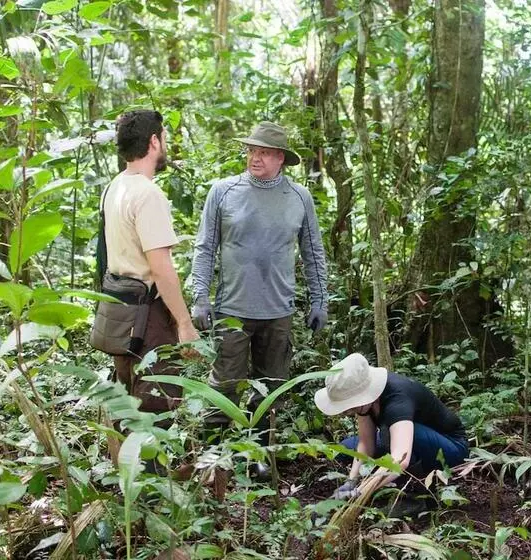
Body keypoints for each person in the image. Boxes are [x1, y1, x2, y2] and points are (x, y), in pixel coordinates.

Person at [191, 121, 328, 440]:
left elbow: (313, 251)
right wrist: (200, 297)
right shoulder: (223, 191)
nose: (255, 157)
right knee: (224, 386)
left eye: (264, 153)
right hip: (232, 310)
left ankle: (262, 454)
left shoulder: (299, 197)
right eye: (252, 150)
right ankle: (214, 453)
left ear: (281, 158)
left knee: (271, 390)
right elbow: (205, 247)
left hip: (278, 311)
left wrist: (320, 301)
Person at [103, 109, 199, 414]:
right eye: (164, 138)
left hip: (120, 313)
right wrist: (184, 324)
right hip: (149, 317)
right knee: (156, 408)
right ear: (154, 141)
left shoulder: (115, 186)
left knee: (128, 407)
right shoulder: (147, 194)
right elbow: (160, 268)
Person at [314, 353, 469, 516]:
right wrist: (351, 481)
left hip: (451, 448)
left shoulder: (397, 401)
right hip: (410, 439)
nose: (347, 412)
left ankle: (414, 498)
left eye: (349, 407)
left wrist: (361, 492)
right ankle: (385, 478)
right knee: (344, 449)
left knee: (388, 435)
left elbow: (400, 459)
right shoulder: (365, 401)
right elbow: (366, 443)